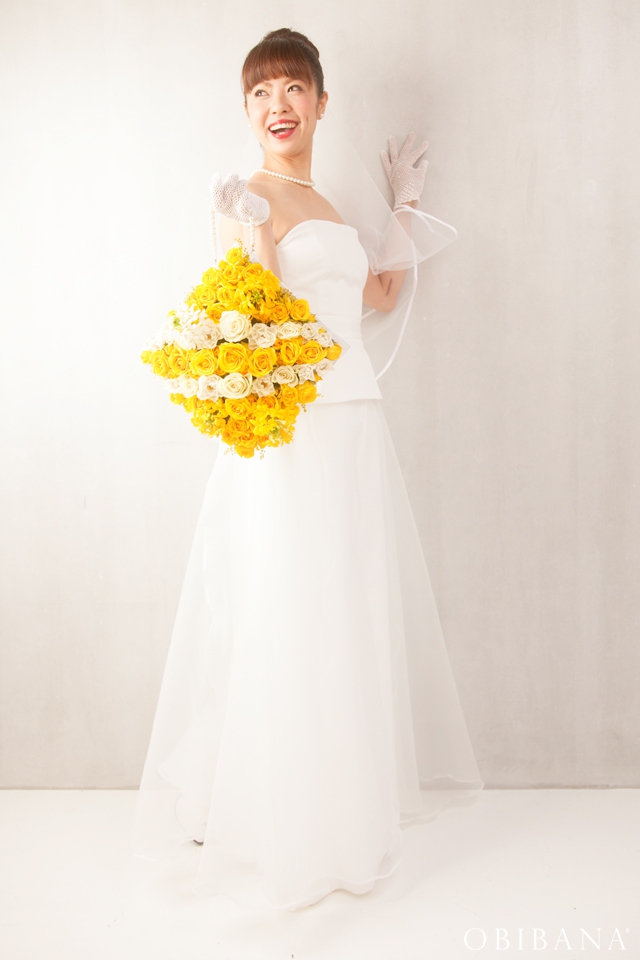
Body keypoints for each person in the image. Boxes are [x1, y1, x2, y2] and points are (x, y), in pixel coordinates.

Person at [133, 27, 483, 912]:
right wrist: (249, 229)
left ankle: (338, 798)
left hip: (356, 420)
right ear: (246, 111)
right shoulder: (247, 195)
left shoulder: (326, 202)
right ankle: (281, 815)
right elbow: (256, 320)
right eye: (260, 92)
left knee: (343, 603)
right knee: (288, 600)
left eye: (292, 88)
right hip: (292, 426)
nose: (276, 105)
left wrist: (405, 203)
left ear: (322, 103)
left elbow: (381, 293)